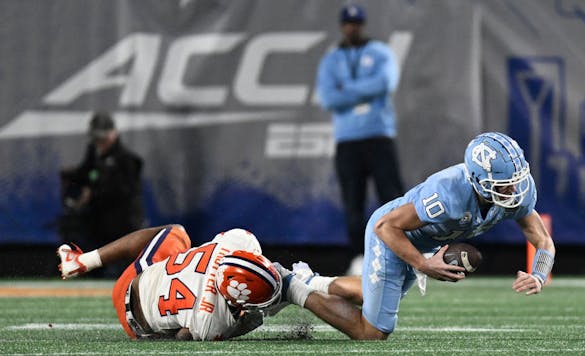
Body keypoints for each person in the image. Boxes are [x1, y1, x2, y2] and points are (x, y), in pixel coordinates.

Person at [277, 132, 556, 340]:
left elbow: (542, 239)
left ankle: (310, 280)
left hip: (424, 242)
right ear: (478, 181)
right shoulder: (448, 192)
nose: (514, 190)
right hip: (393, 235)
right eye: (504, 185)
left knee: (371, 294)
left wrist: (539, 275)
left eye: (516, 181)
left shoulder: (517, 192)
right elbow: (386, 226)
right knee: (373, 331)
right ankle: (291, 286)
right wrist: (423, 264)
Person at [56, 226, 309, 340]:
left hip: (135, 286)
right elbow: (182, 336)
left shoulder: (235, 242)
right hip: (137, 325)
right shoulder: (212, 321)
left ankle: (82, 261)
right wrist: (242, 323)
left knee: (176, 233)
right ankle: (82, 262)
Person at [316, 3, 405, 275]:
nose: (352, 27)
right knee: (352, 203)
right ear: (343, 26)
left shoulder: (380, 52)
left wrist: (348, 89)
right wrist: (366, 90)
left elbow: (385, 83)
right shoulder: (331, 59)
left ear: (362, 24)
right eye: (348, 23)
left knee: (392, 199)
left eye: (356, 23)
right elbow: (328, 98)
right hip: (348, 141)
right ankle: (358, 255)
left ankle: (402, 253)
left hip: (379, 135)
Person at [59, 111, 145, 277]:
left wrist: (93, 192)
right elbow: (86, 173)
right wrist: (73, 178)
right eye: (97, 140)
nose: (100, 143)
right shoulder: (95, 152)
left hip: (122, 227)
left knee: (120, 275)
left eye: (103, 139)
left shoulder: (127, 160)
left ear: (113, 134)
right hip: (99, 225)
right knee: (95, 273)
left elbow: (124, 192)